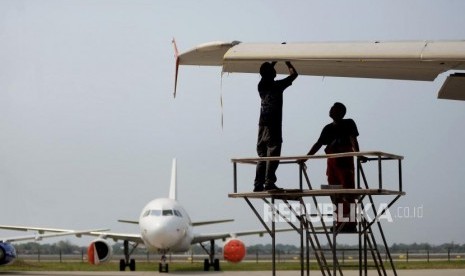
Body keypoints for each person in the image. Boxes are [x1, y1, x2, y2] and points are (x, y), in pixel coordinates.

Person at [303, 102, 361, 232]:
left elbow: (353, 140)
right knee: (335, 193)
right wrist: (305, 158)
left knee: (347, 191)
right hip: (332, 161)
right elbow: (318, 144)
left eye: (333, 109)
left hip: (345, 159)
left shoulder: (349, 123)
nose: (330, 111)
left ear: (340, 112)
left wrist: (358, 155)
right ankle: (340, 222)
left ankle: (350, 223)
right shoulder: (328, 128)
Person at [254, 61, 298, 192]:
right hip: (273, 125)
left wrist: (273, 62)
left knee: (262, 156)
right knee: (273, 154)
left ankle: (258, 184)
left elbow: (265, 73)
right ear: (271, 73)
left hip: (262, 125)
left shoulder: (261, 85)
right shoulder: (277, 86)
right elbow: (294, 75)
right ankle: (269, 182)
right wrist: (287, 62)